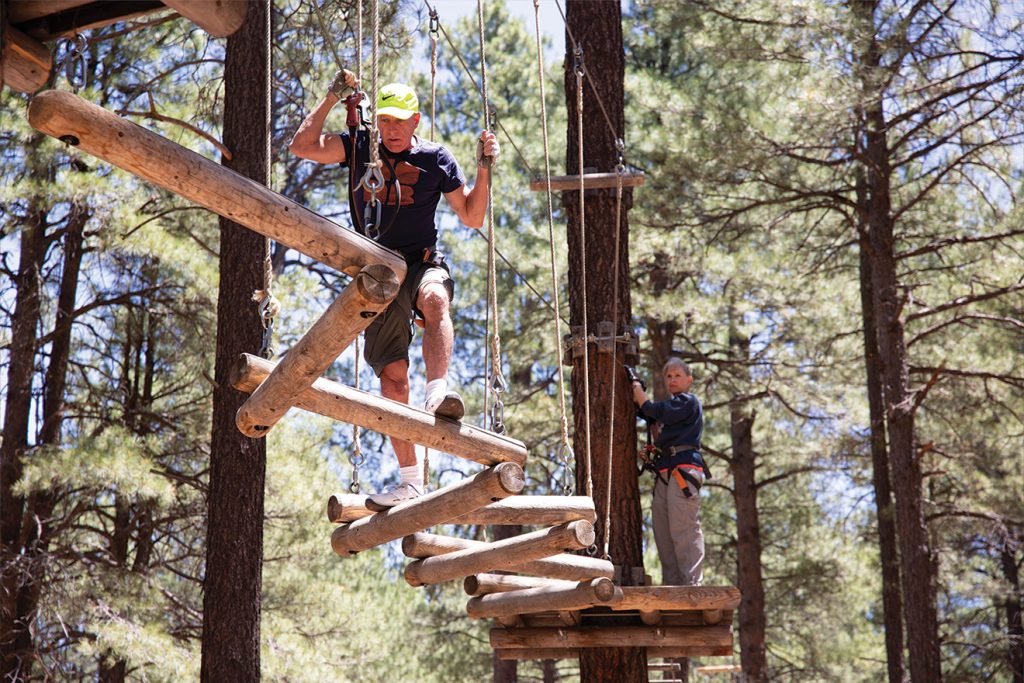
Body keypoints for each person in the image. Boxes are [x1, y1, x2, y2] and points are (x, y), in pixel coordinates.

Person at [290, 70, 499, 507]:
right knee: (392, 378)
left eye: (400, 121)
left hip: (420, 261)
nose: (392, 129)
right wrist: (332, 97)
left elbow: (473, 216)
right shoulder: (360, 148)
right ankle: (410, 482)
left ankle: (438, 392)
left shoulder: (436, 160)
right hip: (378, 270)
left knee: (436, 297)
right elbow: (301, 146)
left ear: (416, 120)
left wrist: (484, 168)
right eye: (385, 121)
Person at [630, 358, 708, 586]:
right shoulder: (673, 410)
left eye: (677, 376)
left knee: (684, 528)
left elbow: (652, 410)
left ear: (689, 380)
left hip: (683, 470)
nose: (672, 380)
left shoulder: (688, 402)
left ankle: (692, 584)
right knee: (663, 533)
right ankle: (673, 585)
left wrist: (636, 388)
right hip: (666, 472)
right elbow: (650, 413)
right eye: (669, 376)